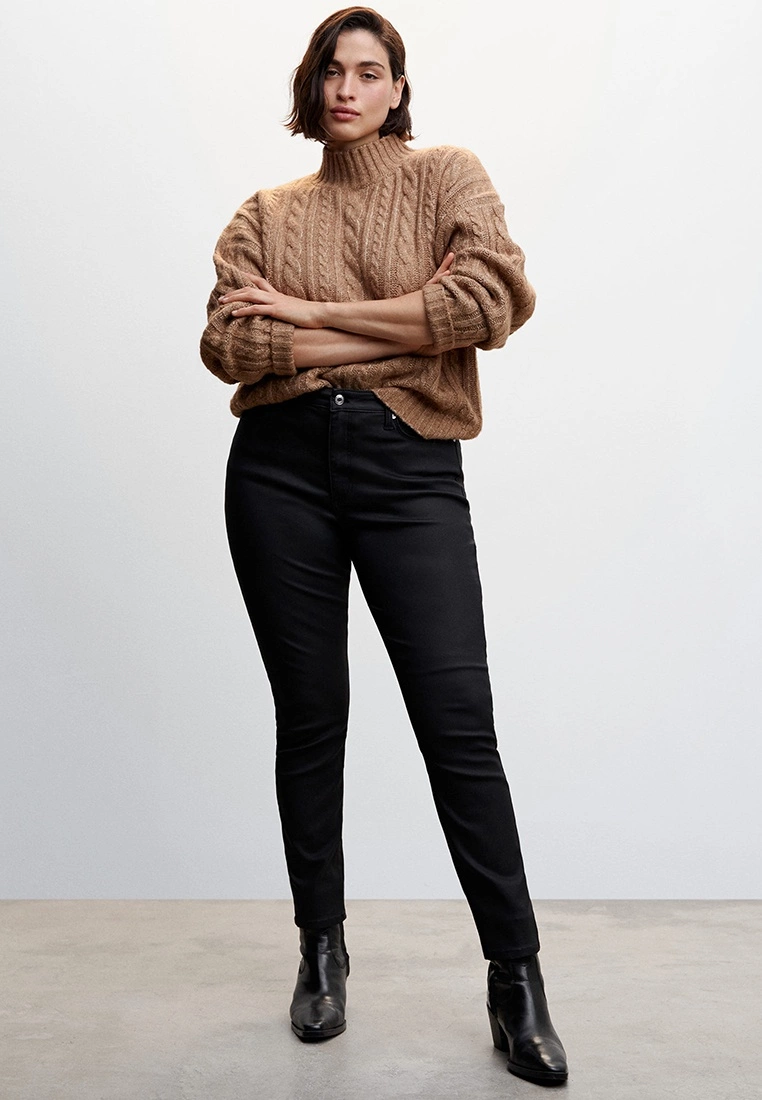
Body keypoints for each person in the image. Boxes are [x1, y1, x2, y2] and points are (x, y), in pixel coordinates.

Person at [200, 6, 567, 1086]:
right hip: (277, 471)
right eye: (332, 71)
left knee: (458, 724)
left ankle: (516, 977)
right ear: (310, 85)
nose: (348, 89)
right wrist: (405, 316)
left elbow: (489, 303)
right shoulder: (265, 211)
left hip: (410, 469)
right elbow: (230, 342)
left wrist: (308, 320)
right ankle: (321, 950)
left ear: (399, 87)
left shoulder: (450, 175)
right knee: (311, 717)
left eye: (370, 72)